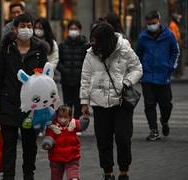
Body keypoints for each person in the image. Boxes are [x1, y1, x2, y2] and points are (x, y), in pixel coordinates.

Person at [80, 22, 142, 180]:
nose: (93, 43)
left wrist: (126, 83)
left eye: (96, 40)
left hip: (121, 102)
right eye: (92, 39)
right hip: (99, 103)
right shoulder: (91, 53)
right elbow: (85, 78)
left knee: (123, 137)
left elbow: (137, 68)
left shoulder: (124, 49)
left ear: (106, 40)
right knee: (103, 140)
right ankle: (107, 172)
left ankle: (124, 171)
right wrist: (84, 101)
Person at [0, 13, 48, 180]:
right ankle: (8, 176)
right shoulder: (6, 49)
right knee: (9, 144)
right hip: (8, 102)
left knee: (30, 144)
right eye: (22, 26)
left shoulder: (39, 50)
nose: (26, 29)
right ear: (15, 29)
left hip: (32, 106)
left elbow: (45, 78)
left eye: (29, 26)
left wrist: (45, 104)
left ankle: (28, 174)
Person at [136, 10, 179, 141]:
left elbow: (175, 51)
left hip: (163, 77)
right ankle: (153, 130)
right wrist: (140, 69)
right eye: (149, 24)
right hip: (147, 77)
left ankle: (164, 121)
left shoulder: (169, 35)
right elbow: (138, 54)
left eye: (153, 23)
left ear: (159, 21)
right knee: (149, 105)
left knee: (166, 105)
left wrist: (170, 67)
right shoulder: (143, 37)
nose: (151, 26)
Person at [57, 20, 90, 119]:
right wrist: (64, 70)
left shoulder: (85, 45)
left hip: (79, 80)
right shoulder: (63, 45)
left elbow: (87, 62)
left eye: (75, 29)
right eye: (71, 29)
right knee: (67, 103)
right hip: (66, 80)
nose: (73, 31)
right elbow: (58, 61)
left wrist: (81, 72)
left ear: (80, 30)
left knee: (78, 103)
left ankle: (76, 123)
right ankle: (67, 122)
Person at [41, 105, 82, 180]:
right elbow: (49, 136)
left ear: (70, 117)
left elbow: (82, 125)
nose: (62, 119)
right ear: (57, 116)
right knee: (56, 175)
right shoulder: (52, 127)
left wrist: (85, 119)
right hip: (56, 157)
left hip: (72, 156)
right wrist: (47, 143)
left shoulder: (73, 124)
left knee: (73, 174)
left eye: (65, 117)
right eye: (60, 117)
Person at [168, 12, 183, 78]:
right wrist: (177, 42)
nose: (178, 20)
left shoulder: (174, 25)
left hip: (176, 43)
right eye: (177, 18)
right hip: (175, 44)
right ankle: (175, 73)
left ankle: (176, 73)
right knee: (175, 58)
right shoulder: (173, 25)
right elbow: (174, 36)